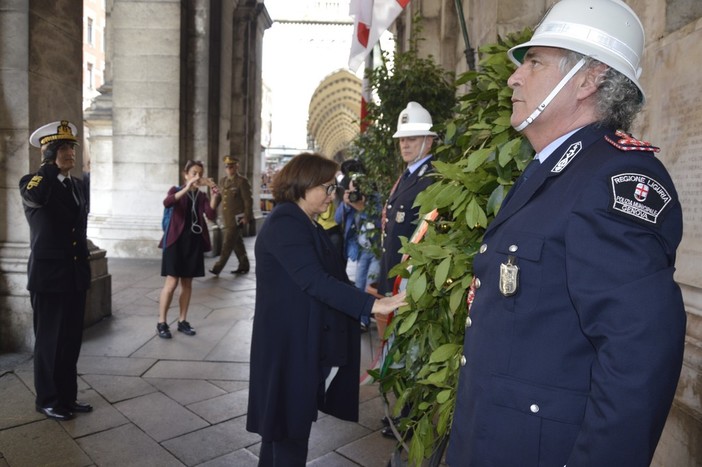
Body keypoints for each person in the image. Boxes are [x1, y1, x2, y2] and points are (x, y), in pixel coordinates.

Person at [446, 1, 687, 465]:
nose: (515, 77)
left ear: (588, 78)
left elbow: (637, 359)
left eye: (534, 61)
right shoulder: (556, 169)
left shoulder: (615, 179)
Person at [246, 152, 407, 466]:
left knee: (283, 430)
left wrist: (373, 300)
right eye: (326, 187)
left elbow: (333, 278)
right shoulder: (285, 222)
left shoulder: (302, 221)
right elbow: (315, 281)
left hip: (294, 342)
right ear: (303, 185)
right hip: (286, 347)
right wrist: (376, 304)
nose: (332, 195)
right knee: (288, 431)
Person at [19, 120, 92, 421]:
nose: (70, 153)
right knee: (50, 341)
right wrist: (48, 167)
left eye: (71, 147)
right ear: (48, 153)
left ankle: (67, 396)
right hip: (49, 277)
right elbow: (35, 198)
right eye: (62, 148)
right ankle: (47, 399)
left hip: (74, 274)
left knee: (71, 340)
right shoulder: (34, 182)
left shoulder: (77, 185)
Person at [378, 101, 437, 296]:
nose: (404, 144)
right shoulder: (408, 176)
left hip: (410, 279)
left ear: (428, 141)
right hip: (394, 273)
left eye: (411, 139)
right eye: (402, 140)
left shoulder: (432, 178)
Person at [157, 160, 219, 338]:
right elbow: (167, 202)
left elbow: (211, 214)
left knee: (187, 284)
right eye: (194, 173)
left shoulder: (201, 197)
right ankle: (162, 322)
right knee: (171, 283)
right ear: (186, 175)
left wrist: (214, 195)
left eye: (200, 173)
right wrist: (187, 187)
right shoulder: (176, 191)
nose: (197, 177)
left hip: (193, 243)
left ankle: (182, 320)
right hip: (175, 242)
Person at [335, 160, 382, 331]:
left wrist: (362, 207)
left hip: (377, 248)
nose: (355, 191)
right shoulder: (349, 199)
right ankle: (360, 320)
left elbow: (379, 222)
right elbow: (337, 219)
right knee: (360, 283)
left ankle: (364, 320)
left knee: (370, 282)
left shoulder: (375, 197)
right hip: (362, 249)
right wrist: (347, 204)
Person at [209, 155, 253, 275]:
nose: (228, 169)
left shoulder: (241, 181)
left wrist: (246, 216)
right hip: (226, 218)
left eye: (231, 166)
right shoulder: (223, 181)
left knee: (227, 243)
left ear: (236, 167)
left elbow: (248, 200)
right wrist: (211, 208)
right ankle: (244, 265)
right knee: (237, 242)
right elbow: (220, 197)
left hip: (237, 218)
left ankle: (218, 268)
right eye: (226, 167)